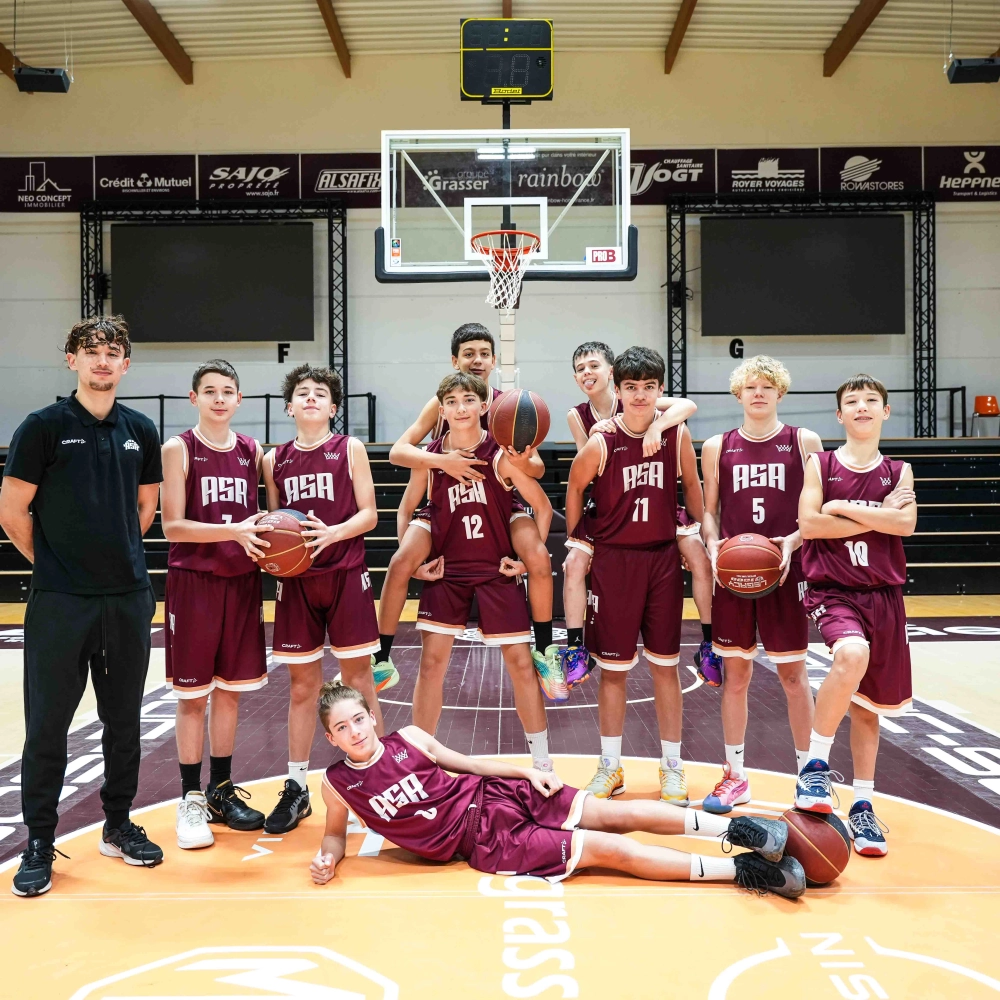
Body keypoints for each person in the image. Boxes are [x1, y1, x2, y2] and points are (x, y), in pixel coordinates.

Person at [309, 683, 805, 898]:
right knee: (612, 850)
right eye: (343, 727)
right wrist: (329, 859)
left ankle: (744, 829)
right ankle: (743, 870)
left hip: (500, 795)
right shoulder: (337, 784)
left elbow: (470, 764)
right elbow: (335, 836)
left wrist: (526, 774)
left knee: (617, 815)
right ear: (331, 738)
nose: (356, 730)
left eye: (360, 718)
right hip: (485, 842)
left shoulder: (410, 738)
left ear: (372, 717)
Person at [0, 316, 163, 897]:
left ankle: (117, 824)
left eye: (112, 352)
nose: (101, 361)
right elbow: (13, 512)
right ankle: (40, 840)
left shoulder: (140, 429)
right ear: (71, 359)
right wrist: (56, 563)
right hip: (61, 602)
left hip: (125, 599)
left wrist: (115, 559)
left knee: (125, 723)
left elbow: (146, 510)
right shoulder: (42, 427)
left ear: (125, 365)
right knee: (48, 726)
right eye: (90, 351)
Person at [379, 324, 564, 697]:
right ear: (454, 360)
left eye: (483, 353)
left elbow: (539, 471)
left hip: (502, 499)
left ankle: (544, 649)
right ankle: (380, 656)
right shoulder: (444, 400)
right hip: (445, 500)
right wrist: (443, 461)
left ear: (494, 361)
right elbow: (399, 452)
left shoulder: (510, 405)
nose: (476, 360)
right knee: (401, 562)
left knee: (538, 556)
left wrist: (522, 461)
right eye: (468, 353)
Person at [564, 347, 699, 804]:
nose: (640, 395)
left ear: (660, 391)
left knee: (666, 670)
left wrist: (695, 532)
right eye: (630, 387)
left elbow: (693, 487)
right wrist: (579, 535)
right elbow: (575, 486)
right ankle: (609, 767)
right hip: (615, 561)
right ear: (617, 390)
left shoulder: (676, 432)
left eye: (648, 387)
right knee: (615, 674)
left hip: (660, 559)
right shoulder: (601, 439)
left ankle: (673, 767)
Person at [406, 372, 560, 767]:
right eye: (452, 402)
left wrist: (526, 561)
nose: (461, 408)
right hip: (450, 568)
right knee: (430, 664)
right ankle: (423, 761)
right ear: (442, 410)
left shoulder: (499, 453)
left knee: (521, 664)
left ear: (484, 406)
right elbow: (407, 503)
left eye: (469, 400)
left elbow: (541, 505)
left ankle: (542, 762)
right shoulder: (431, 456)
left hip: (495, 567)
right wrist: (418, 565)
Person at [261, 365, 385, 834]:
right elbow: (276, 523)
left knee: (358, 679)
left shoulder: (348, 448)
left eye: (320, 394)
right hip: (296, 582)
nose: (310, 398)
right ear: (290, 406)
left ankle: (378, 774)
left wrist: (334, 532)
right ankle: (296, 788)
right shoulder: (275, 460)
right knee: (300, 688)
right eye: (301, 393)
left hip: (346, 574)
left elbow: (370, 514)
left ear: (333, 408)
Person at [796, 375, 916, 858]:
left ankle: (863, 805)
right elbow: (809, 525)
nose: (862, 407)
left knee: (869, 709)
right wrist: (875, 514)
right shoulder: (819, 463)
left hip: (884, 595)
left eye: (871, 401)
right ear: (839, 416)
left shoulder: (899, 470)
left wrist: (842, 506)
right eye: (852, 402)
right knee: (851, 654)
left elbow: (904, 523)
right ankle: (814, 768)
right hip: (834, 589)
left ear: (886, 412)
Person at [698, 356, 822, 813]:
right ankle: (735, 776)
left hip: (784, 573)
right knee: (737, 675)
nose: (758, 393)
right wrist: (712, 547)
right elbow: (709, 510)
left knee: (793, 675)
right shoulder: (717, 445)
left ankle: (811, 777)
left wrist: (790, 543)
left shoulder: (801, 441)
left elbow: (816, 510)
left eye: (767, 387)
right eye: (750, 386)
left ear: (780, 394)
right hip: (732, 574)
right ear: (738, 394)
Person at [161, 360, 273, 849]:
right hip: (195, 582)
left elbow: (268, 514)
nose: (220, 399)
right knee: (192, 697)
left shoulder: (253, 451)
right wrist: (236, 529)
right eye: (210, 391)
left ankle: (220, 790)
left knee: (230, 692)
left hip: (242, 582)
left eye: (228, 391)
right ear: (194, 399)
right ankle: (189, 799)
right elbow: (172, 526)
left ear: (239, 400)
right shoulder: (178, 448)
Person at [563, 341, 712, 687]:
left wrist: (658, 428)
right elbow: (581, 475)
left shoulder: (637, 390)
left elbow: (687, 405)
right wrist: (574, 538)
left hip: (657, 504)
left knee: (700, 558)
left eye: (594, 365)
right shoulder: (580, 416)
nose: (588, 372)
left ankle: (709, 642)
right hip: (610, 504)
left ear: (610, 372)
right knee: (573, 564)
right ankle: (574, 648)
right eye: (581, 368)